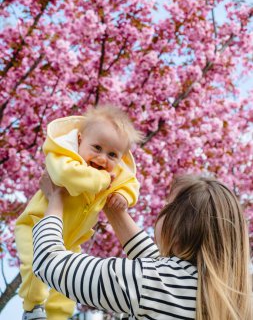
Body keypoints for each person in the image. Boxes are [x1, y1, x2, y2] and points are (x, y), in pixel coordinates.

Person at [32, 173, 253, 320]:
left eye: (166, 206)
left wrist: (55, 199)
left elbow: (49, 261)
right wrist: (111, 205)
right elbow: (158, 267)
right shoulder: (233, 296)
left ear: (177, 225)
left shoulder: (150, 283)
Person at [15, 105, 142, 320]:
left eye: (112, 154)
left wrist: (125, 196)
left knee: (67, 282)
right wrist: (102, 180)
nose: (103, 158)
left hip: (72, 239)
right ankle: (32, 307)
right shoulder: (64, 156)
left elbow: (130, 184)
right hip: (35, 227)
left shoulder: (115, 173)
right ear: (80, 140)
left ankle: (57, 316)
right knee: (35, 267)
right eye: (97, 148)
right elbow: (67, 176)